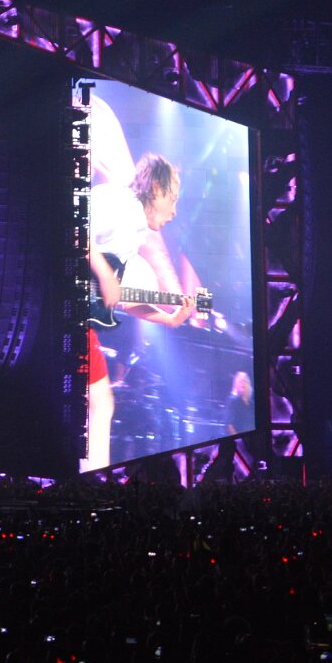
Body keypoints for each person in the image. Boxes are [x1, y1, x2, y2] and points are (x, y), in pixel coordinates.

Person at [84, 152, 195, 472]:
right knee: (100, 403)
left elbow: (126, 300)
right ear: (156, 189)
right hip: (54, 307)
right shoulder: (120, 202)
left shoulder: (133, 232)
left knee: (100, 403)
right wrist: (105, 274)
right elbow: (76, 227)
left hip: (78, 321)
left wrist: (170, 319)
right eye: (173, 200)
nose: (174, 212)